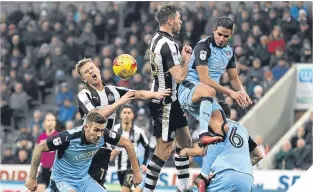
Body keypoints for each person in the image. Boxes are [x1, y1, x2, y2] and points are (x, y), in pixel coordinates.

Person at [177, 16, 252, 183]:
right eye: (219, 34)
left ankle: (203, 175)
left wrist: (242, 91)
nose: (222, 38)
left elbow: (233, 78)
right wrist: (231, 93)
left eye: (226, 36)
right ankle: (203, 132)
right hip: (189, 90)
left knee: (222, 129)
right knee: (209, 89)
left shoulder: (229, 51)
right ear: (214, 31)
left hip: (206, 98)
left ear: (231, 35)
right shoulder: (203, 46)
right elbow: (203, 78)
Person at [75, 58, 170, 187]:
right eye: (86, 72)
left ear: (98, 69)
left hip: (105, 146)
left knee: (97, 184)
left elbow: (138, 94)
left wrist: (156, 94)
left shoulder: (113, 91)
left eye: (92, 68)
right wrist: (120, 101)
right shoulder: (84, 94)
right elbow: (97, 117)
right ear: (84, 79)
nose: (91, 71)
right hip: (88, 147)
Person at [144, 4, 199, 192]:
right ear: (170, 21)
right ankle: (146, 189)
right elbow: (180, 77)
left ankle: (183, 189)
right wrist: (186, 61)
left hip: (170, 100)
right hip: (164, 102)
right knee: (164, 150)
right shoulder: (168, 45)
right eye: (178, 18)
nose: (180, 22)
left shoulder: (155, 39)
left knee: (185, 142)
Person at [25, 110, 142, 192]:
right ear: (86, 127)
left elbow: (128, 144)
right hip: (62, 181)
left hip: (84, 180)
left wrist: (136, 173)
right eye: (96, 130)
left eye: (101, 131)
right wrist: (32, 177)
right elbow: (39, 148)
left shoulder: (104, 135)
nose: (99, 135)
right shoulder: (68, 137)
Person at [180, 101, 263, 192]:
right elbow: (259, 155)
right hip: (247, 180)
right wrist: (240, 169)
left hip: (226, 177)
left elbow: (202, 151)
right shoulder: (242, 130)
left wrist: (184, 151)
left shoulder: (215, 126)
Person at [110, 105, 150, 192]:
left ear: (132, 115)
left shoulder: (138, 131)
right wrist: (112, 152)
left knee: (125, 190)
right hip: (119, 167)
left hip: (132, 168)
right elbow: (109, 146)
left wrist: (144, 163)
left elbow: (147, 147)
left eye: (129, 113)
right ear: (120, 115)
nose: (127, 115)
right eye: (124, 113)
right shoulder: (115, 130)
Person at [36, 113, 59, 192]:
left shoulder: (58, 136)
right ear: (44, 123)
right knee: (38, 189)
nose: (50, 122)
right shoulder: (41, 137)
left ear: (55, 123)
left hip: (55, 170)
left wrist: (56, 165)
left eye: (52, 120)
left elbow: (63, 153)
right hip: (43, 169)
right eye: (48, 120)